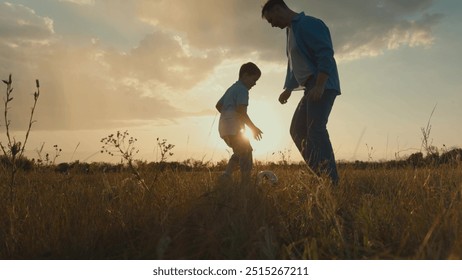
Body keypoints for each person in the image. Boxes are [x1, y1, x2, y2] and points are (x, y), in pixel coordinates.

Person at [261, 0, 341, 185]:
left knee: (316, 130)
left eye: (271, 19)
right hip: (309, 87)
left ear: (278, 9)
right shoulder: (291, 31)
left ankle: (331, 182)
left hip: (321, 84)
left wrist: (320, 85)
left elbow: (325, 53)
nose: (272, 25)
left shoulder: (309, 24)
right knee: (297, 130)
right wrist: (289, 89)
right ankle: (322, 175)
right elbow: (297, 64)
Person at [216, 62, 263, 186]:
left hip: (224, 128)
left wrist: (227, 116)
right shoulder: (242, 90)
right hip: (235, 128)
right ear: (245, 75)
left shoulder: (232, 88)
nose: (255, 83)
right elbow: (242, 112)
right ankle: (245, 182)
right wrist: (253, 128)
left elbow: (218, 105)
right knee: (247, 151)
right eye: (254, 79)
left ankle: (226, 176)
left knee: (239, 152)